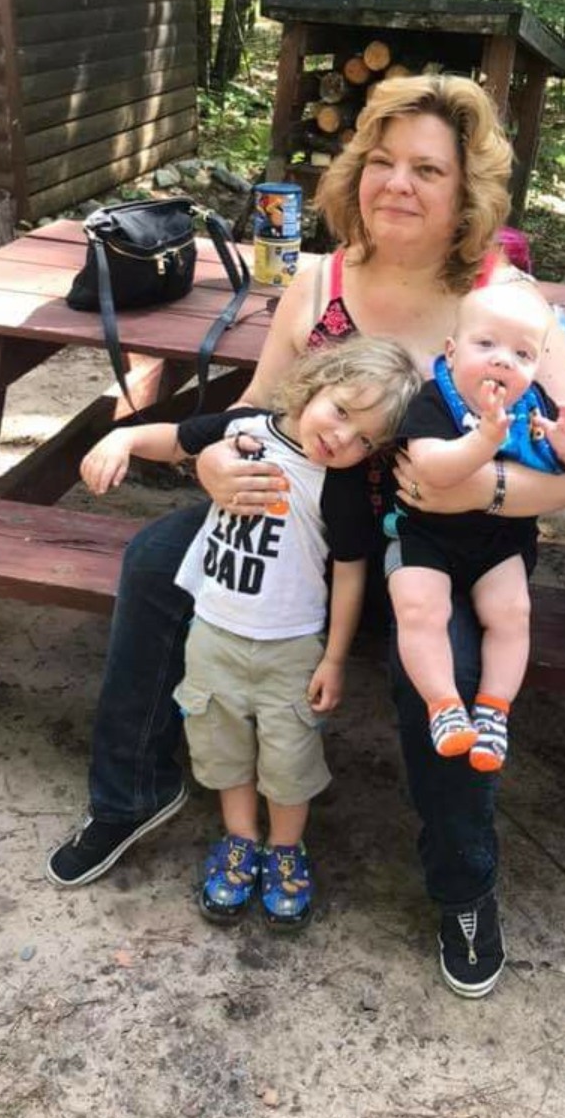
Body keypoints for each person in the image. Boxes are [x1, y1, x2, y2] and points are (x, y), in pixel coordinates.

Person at [47, 73, 565, 999]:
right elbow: (256, 408)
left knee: (456, 668)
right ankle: (132, 793)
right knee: (154, 560)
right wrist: (213, 462)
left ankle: (462, 885)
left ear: (467, 190)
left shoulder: (505, 303)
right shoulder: (321, 279)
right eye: (382, 161)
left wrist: (488, 489)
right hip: (301, 523)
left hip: (449, 548)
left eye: (427, 169)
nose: (399, 184)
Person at [79, 336, 421, 929]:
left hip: (291, 644)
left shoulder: (338, 486)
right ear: (316, 383)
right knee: (222, 746)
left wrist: (334, 659)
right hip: (213, 631)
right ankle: (239, 840)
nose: (342, 438)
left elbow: (350, 571)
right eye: (341, 411)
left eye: (365, 440)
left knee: (289, 757)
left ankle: (286, 848)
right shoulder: (243, 430)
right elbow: (178, 438)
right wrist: (123, 438)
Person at [388, 280, 565, 771]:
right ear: (452, 351)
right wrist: (483, 441)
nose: (503, 360)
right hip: (426, 537)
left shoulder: (534, 405)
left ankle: (493, 710)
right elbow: (432, 469)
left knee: (511, 614)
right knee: (419, 608)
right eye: (486, 344)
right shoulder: (434, 400)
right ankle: (443, 705)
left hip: (501, 540)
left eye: (522, 354)